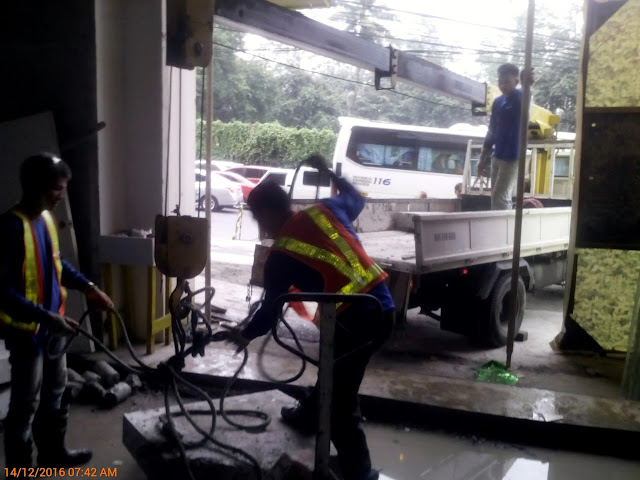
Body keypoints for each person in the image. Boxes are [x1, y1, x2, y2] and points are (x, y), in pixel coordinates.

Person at [230, 155, 394, 480]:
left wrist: (244, 335)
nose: (259, 224)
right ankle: (307, 417)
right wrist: (328, 171)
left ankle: (361, 475)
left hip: (351, 323)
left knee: (339, 406)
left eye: (257, 217)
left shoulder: (280, 254)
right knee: (334, 378)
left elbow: (271, 309)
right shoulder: (326, 210)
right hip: (382, 309)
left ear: (264, 213)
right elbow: (356, 196)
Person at [0, 153, 114, 469]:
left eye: (63, 188)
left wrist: (89, 287)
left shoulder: (48, 220)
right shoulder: (10, 226)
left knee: (55, 393)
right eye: (56, 189)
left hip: (53, 330)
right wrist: (45, 317)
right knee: (25, 405)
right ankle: (20, 469)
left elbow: (56, 265)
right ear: (35, 186)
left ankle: (53, 454)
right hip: (27, 334)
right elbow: (2, 291)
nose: (61, 196)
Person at [479, 63, 535, 210]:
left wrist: (526, 83)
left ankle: (501, 230)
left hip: (512, 157)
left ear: (516, 82)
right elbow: (491, 131)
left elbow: (526, 94)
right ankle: (503, 226)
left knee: (500, 197)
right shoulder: (497, 102)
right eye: (500, 82)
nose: (503, 86)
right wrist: (482, 159)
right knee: (497, 196)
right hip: (497, 156)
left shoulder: (520, 97)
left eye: (507, 82)